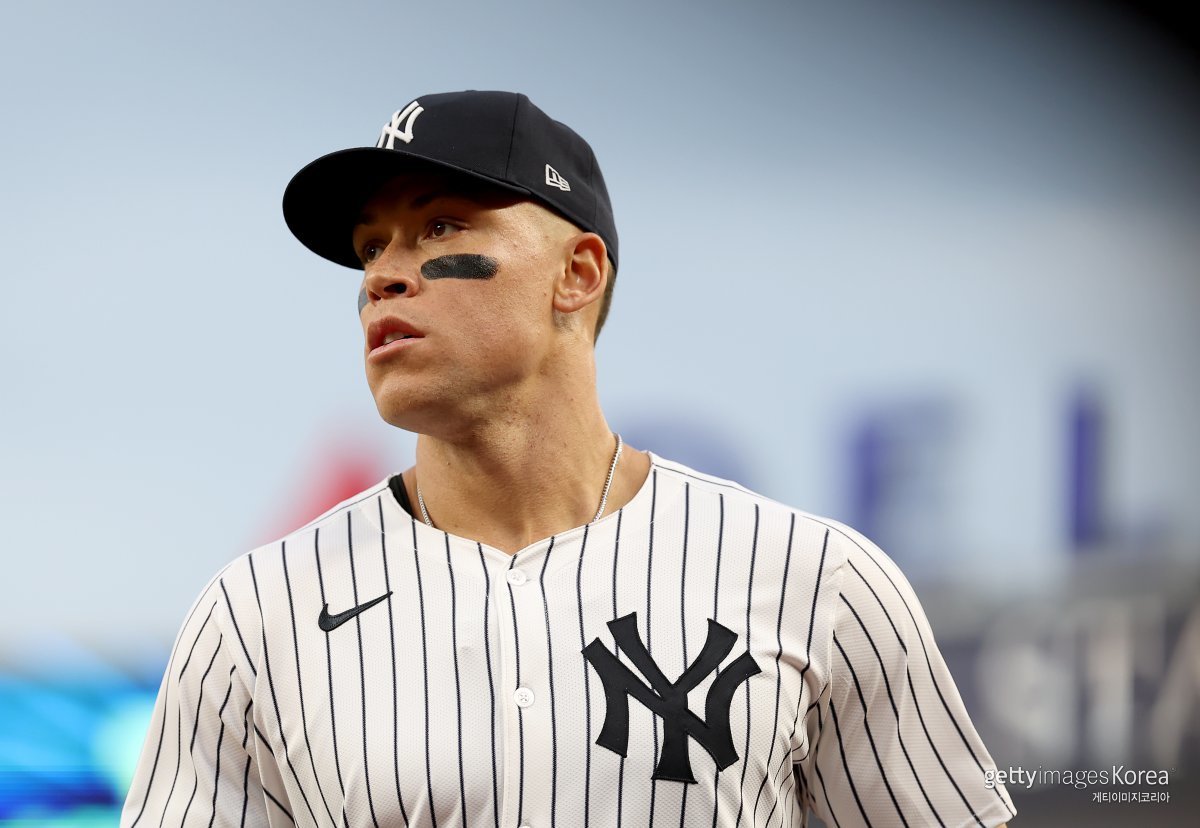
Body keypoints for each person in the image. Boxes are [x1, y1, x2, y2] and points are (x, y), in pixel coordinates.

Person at [121, 90, 1017, 827]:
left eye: (440, 228)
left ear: (577, 274)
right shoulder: (255, 615)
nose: (383, 275)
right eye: (371, 246)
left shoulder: (817, 578)